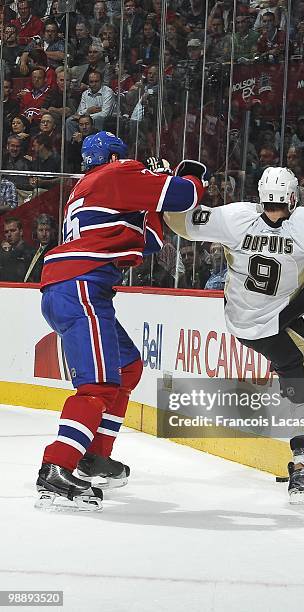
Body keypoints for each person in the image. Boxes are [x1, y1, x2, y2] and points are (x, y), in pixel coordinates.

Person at [165, 166, 304, 504]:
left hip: (240, 321)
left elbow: (179, 222)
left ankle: (299, 449)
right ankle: (303, 473)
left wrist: (178, 185)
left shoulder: (235, 217)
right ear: (292, 197)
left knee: (298, 380)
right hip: (278, 324)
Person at [36, 131, 207, 511]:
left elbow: (150, 242)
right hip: (80, 286)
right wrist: (191, 175)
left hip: (76, 287)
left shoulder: (92, 187)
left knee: (127, 367)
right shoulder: (116, 175)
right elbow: (186, 195)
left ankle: (95, 457)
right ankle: (56, 469)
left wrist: (153, 201)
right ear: (116, 157)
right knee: (97, 386)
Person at [24, 213, 58, 283]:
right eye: (41, 230)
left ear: (52, 231)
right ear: (36, 232)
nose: (44, 234)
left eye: (47, 230)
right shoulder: (34, 250)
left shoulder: (54, 250)